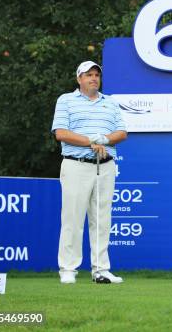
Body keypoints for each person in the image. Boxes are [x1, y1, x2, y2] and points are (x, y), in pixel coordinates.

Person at [52, 60, 128, 284]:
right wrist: (90, 142)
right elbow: (61, 133)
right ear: (79, 79)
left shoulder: (111, 103)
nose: (93, 78)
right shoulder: (66, 100)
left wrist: (104, 139)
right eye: (88, 75)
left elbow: (122, 132)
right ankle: (68, 269)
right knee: (73, 218)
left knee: (101, 219)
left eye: (96, 75)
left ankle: (100, 270)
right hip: (76, 164)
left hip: (105, 166)